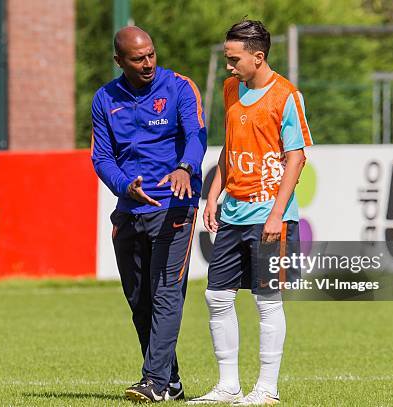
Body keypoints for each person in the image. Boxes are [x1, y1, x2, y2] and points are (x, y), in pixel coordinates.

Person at [189, 20, 313, 405]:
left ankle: (267, 388)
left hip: (269, 216)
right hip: (233, 212)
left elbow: (296, 158)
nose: (229, 66)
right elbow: (229, 147)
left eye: (234, 59)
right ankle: (228, 385)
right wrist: (214, 195)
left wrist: (277, 215)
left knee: (267, 299)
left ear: (258, 57)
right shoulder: (230, 89)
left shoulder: (286, 96)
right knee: (216, 297)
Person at [91, 26, 207, 403]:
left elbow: (196, 135)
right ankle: (171, 382)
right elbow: (102, 157)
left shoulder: (179, 87)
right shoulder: (104, 99)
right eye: (138, 58)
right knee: (139, 299)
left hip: (175, 204)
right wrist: (125, 186)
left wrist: (185, 168)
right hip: (129, 207)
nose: (147, 64)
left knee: (166, 294)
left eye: (151, 55)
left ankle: (154, 382)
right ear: (119, 61)